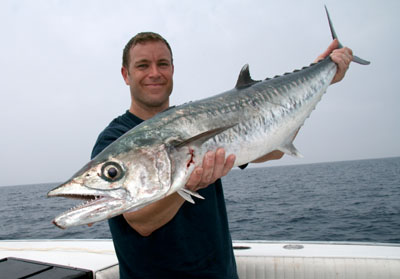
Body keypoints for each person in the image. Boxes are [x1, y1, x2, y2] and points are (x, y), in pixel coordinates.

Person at [91, 32, 353, 279]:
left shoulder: (196, 118)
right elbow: (141, 222)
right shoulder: (114, 141)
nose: (155, 73)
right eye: (142, 65)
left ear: (172, 69)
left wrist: (323, 73)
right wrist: (188, 183)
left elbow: (272, 150)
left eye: (163, 64)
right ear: (126, 74)